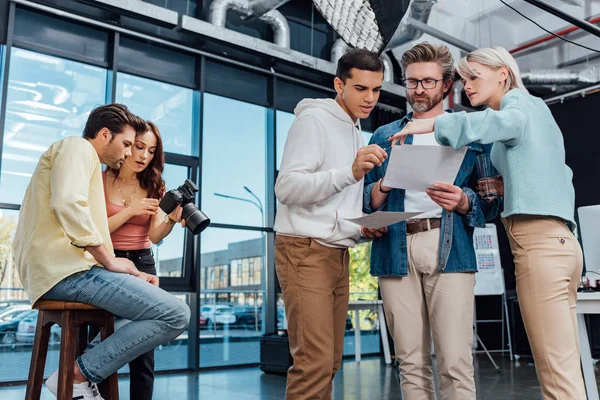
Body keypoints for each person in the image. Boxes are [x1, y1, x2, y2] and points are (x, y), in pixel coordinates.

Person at [389, 46, 585, 400]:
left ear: (503, 75)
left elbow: (498, 124)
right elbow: (555, 172)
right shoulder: (533, 115)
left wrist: (434, 122)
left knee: (557, 373)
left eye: (474, 78)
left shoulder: (520, 106)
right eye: (463, 80)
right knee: (563, 365)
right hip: (557, 243)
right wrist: (504, 185)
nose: (467, 87)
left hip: (539, 244)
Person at [12, 104, 191, 400]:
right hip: (68, 272)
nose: (127, 154)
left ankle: (78, 374)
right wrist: (109, 260)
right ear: (105, 134)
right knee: (176, 314)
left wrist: (130, 269)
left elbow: (84, 219)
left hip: (69, 268)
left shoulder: (88, 166)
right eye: (125, 145)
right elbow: (68, 206)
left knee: (135, 318)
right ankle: (76, 376)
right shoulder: (77, 147)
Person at [362, 42, 499, 400]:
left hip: (449, 248)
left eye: (427, 82)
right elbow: (366, 202)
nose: (418, 90)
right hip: (395, 248)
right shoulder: (383, 136)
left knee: (454, 362)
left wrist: (463, 200)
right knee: (409, 361)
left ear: (446, 83)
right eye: (411, 82)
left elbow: (491, 206)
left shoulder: (472, 132)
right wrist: (383, 183)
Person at [274, 48, 387, 400]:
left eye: (377, 89)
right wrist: (350, 172)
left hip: (337, 252)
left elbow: (334, 205)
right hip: (305, 250)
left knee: (329, 361)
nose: (369, 98)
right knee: (314, 363)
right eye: (360, 88)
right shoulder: (315, 121)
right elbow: (287, 187)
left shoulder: (353, 127)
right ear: (339, 84)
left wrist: (361, 226)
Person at [102, 120, 184, 400]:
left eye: (151, 150)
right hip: (107, 262)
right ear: (126, 144)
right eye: (138, 147)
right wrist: (130, 210)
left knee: (144, 352)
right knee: (103, 338)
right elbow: (94, 230)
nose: (143, 156)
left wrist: (171, 222)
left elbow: (154, 235)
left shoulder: (154, 185)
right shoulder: (100, 179)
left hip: (142, 264)